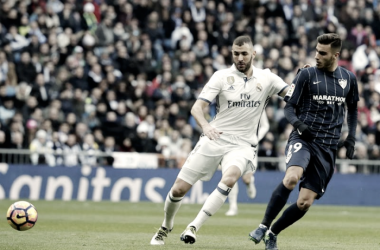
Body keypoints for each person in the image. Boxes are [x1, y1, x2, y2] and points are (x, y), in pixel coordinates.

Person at [150, 35, 290, 245]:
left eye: (244, 53)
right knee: (178, 189)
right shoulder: (221, 77)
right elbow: (197, 108)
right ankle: (165, 226)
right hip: (215, 138)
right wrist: (205, 126)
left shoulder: (267, 78)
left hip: (243, 144)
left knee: (230, 177)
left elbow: (291, 94)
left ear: (253, 54)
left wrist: (304, 79)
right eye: (236, 53)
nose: (240, 58)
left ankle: (193, 227)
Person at [248, 33, 359, 250]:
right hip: (304, 138)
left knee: (304, 203)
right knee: (291, 178)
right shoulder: (306, 75)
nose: (317, 55)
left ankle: (273, 233)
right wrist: (300, 126)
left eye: (323, 53)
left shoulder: (349, 79)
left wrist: (352, 137)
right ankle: (262, 225)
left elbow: (353, 109)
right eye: (316, 50)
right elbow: (289, 107)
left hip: (327, 146)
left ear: (336, 55)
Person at [225, 111, 270, 216]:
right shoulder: (233, 101)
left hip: (251, 146)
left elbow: (265, 125)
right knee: (231, 175)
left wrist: (257, 137)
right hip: (233, 144)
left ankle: (249, 182)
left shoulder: (259, 102)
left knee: (246, 178)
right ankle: (233, 206)